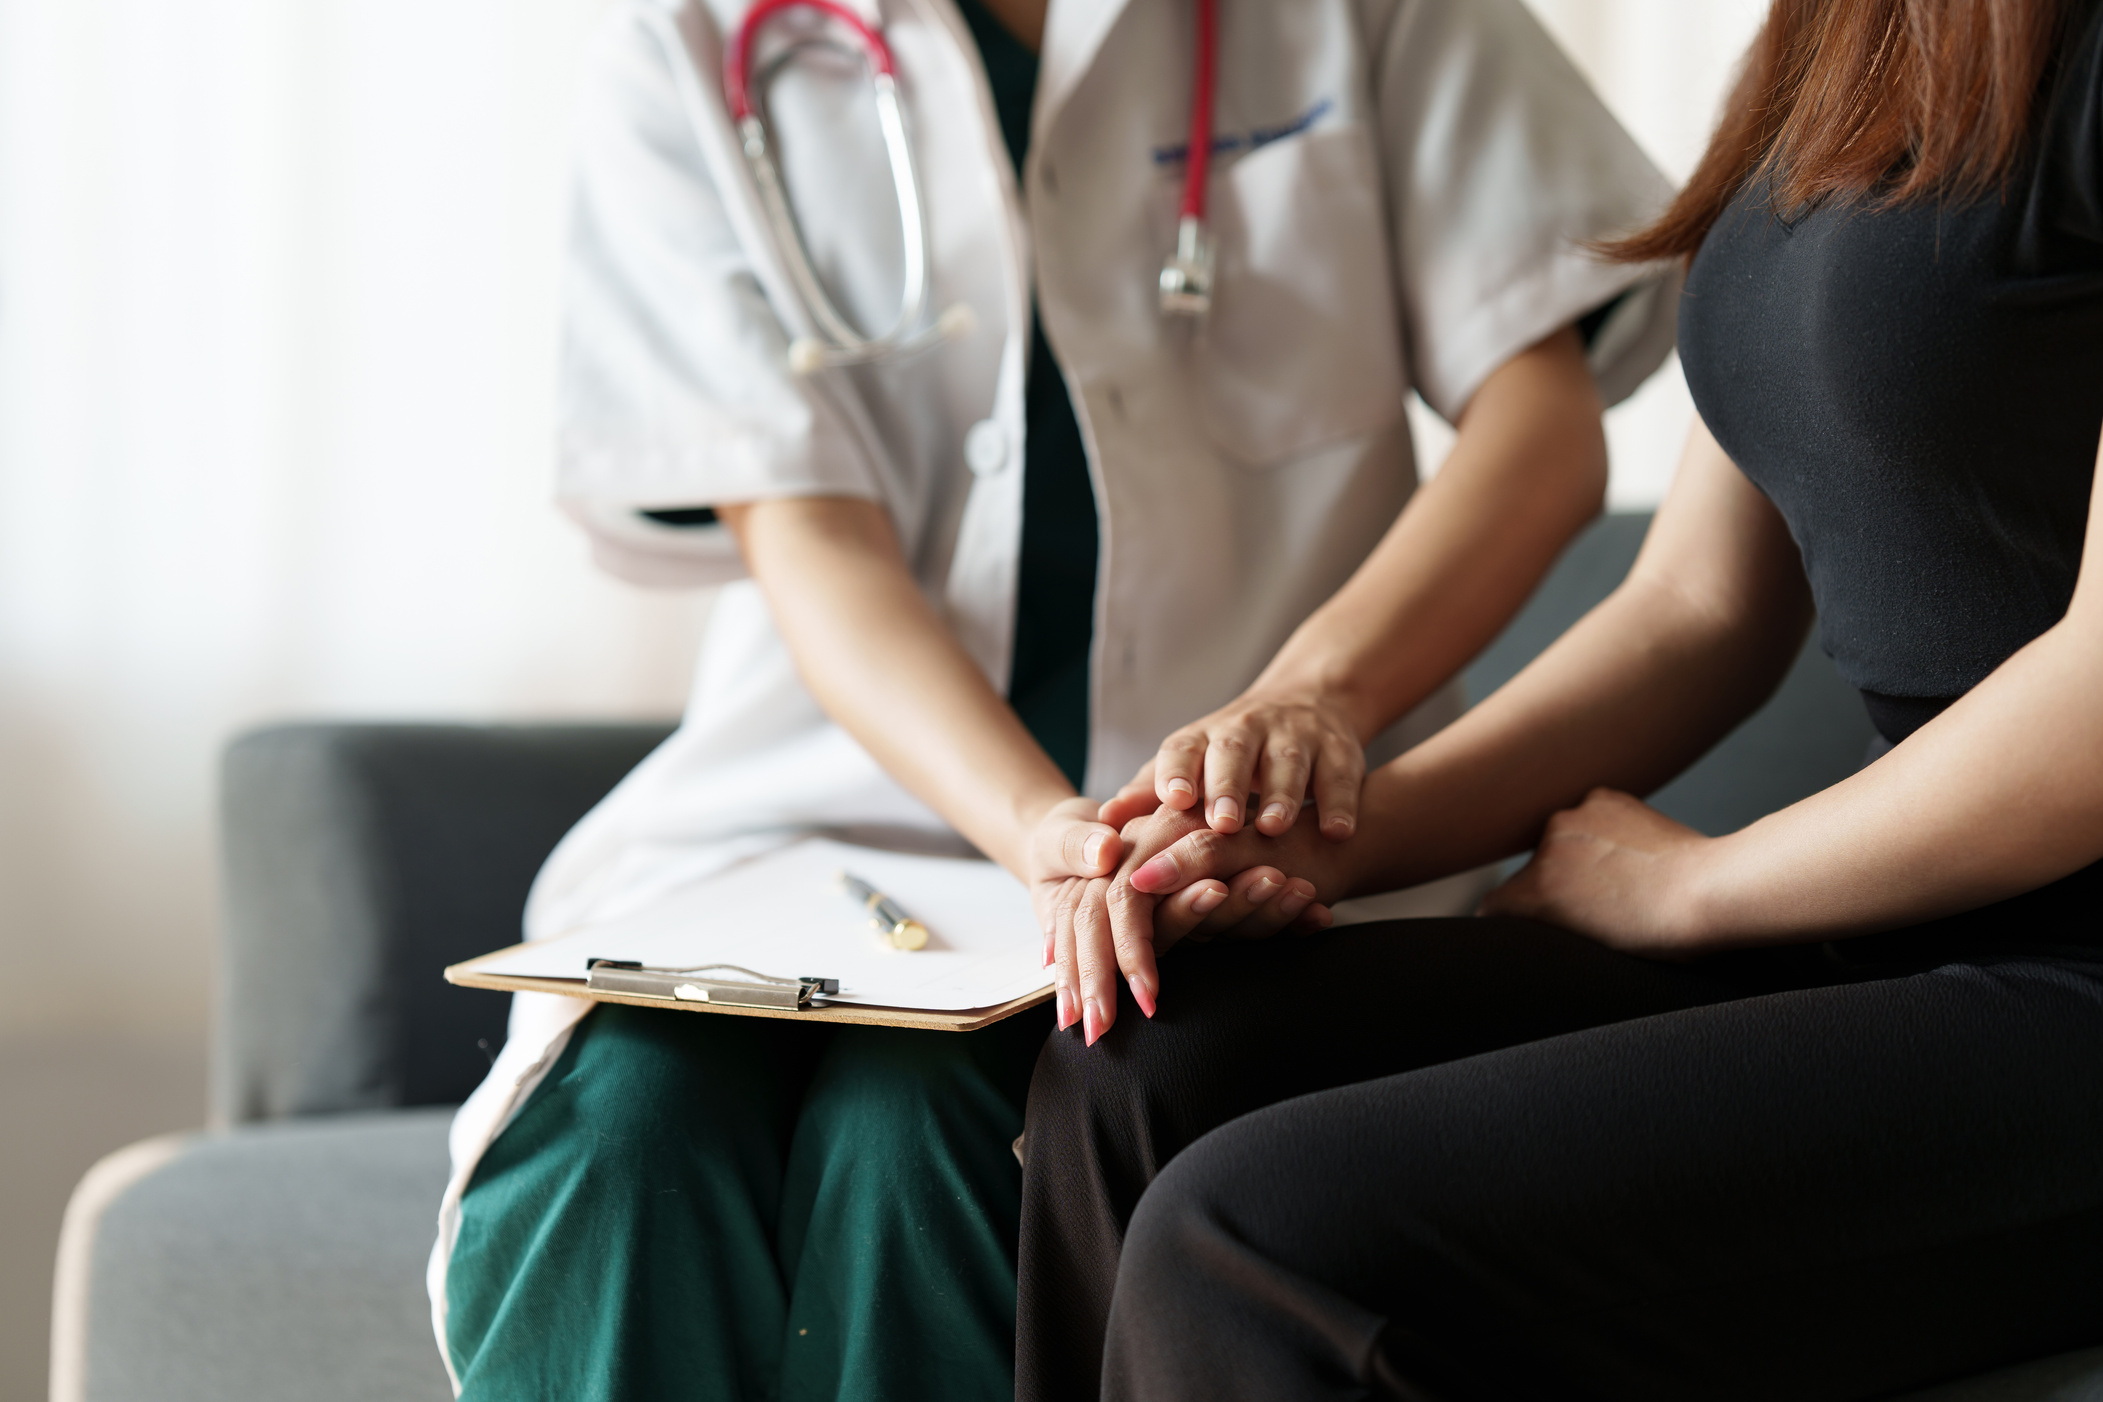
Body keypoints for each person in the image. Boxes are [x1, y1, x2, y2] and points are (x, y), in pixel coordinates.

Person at [426, 0, 1685, 1397]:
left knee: (929, 1134)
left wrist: (1313, 698)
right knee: (621, 1132)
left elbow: (1541, 425)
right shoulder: (692, 37)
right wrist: (1046, 831)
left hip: (1238, 838)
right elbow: (810, 540)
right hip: (827, 825)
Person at [1018, 0, 2103, 1397]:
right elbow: (1696, 611)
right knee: (1139, 1072)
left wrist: (1699, 885)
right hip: (1903, 928)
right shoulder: (1836, 38)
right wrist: (1330, 836)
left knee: (1254, 1242)